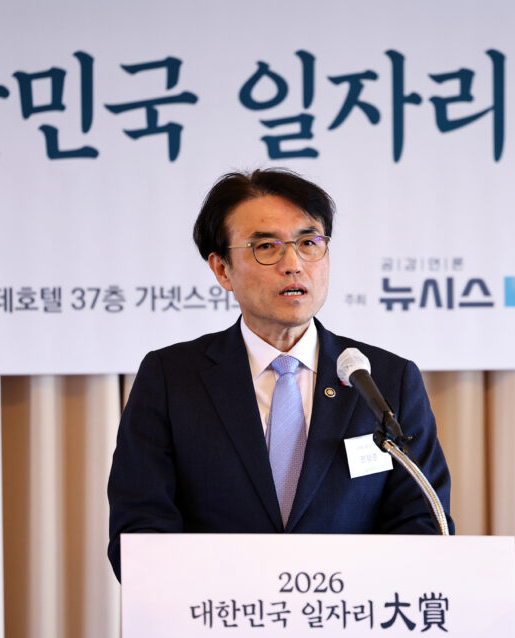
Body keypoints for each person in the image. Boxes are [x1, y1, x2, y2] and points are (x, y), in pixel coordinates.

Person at [107, 168, 453, 581]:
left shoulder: (386, 380)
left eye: (309, 243)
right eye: (266, 247)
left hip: (350, 616)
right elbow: (141, 530)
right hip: (219, 613)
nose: (293, 265)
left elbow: (422, 523)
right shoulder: (170, 379)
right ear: (222, 269)